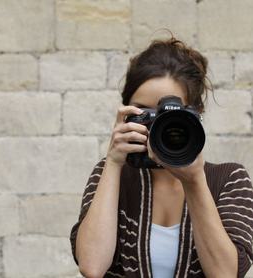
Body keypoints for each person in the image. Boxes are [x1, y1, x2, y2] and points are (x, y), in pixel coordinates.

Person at [70, 36, 253, 278]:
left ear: (195, 114)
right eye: (144, 113)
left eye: (166, 116)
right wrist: (114, 162)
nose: (156, 126)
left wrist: (194, 181)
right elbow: (92, 267)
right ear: (126, 112)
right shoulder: (114, 176)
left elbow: (225, 274)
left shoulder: (228, 179)